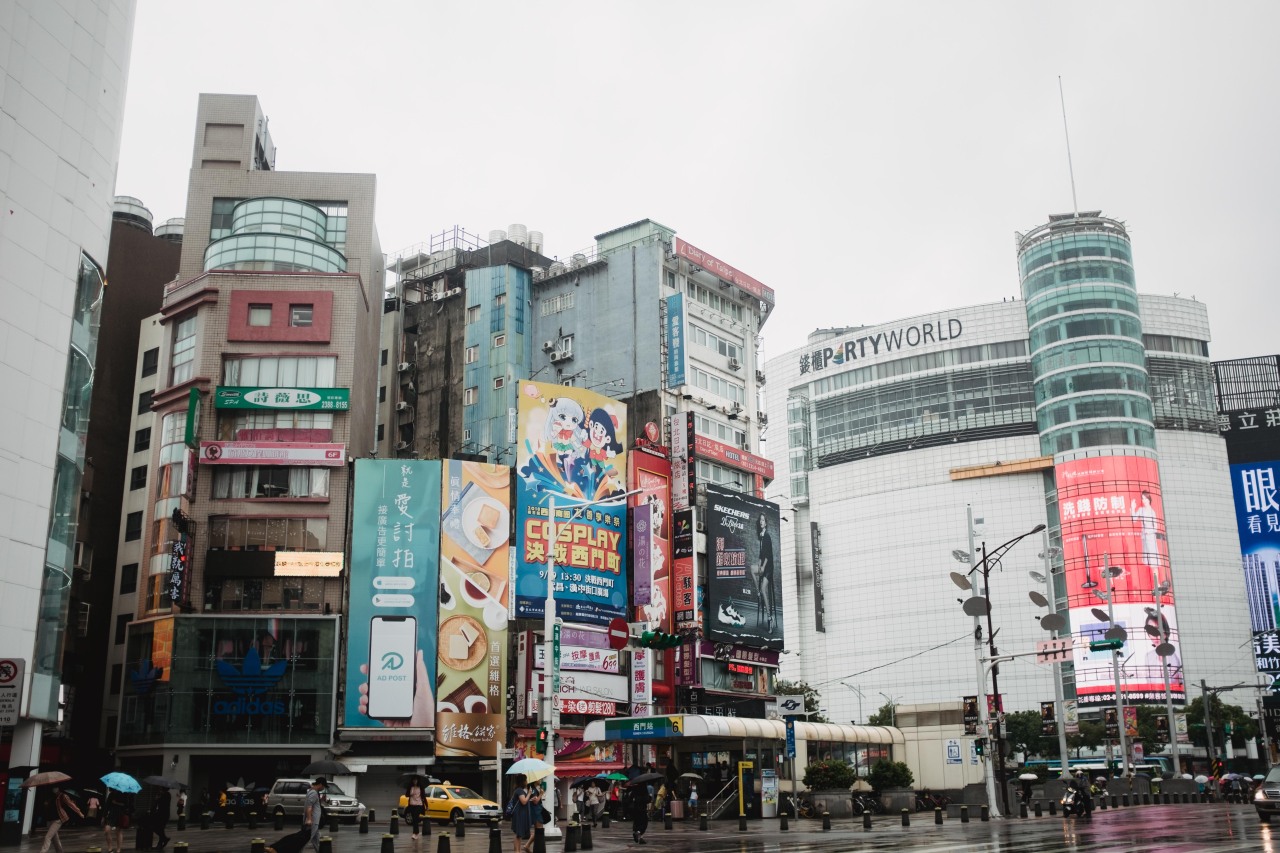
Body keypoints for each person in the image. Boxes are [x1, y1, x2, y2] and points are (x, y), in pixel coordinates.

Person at [40, 785, 83, 853]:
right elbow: (47, 807)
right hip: (49, 819)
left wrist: (79, 812)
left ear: (58, 788)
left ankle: (43, 851)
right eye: (53, 787)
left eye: (55, 787)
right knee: (55, 838)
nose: (54, 789)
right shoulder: (50, 796)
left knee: (47, 837)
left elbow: (71, 804)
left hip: (57, 820)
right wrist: (46, 804)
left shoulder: (62, 796)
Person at [754, 513, 777, 633]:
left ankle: (769, 618)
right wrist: (758, 563)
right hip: (763, 565)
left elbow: (768, 555)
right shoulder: (761, 536)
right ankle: (758, 593)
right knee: (752, 569)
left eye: (763, 520)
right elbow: (761, 554)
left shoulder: (767, 536)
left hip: (768, 568)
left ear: (766, 523)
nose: (761, 521)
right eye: (760, 520)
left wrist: (762, 566)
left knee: (764, 589)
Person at [508, 776, 536, 853]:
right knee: (518, 834)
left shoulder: (519, 790)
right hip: (519, 815)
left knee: (519, 835)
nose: (527, 782)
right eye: (526, 780)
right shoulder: (519, 791)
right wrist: (529, 794)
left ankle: (518, 850)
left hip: (520, 814)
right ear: (522, 781)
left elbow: (523, 801)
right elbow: (523, 801)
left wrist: (530, 799)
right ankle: (517, 851)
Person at [303, 778, 326, 853]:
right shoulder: (313, 793)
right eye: (324, 786)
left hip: (315, 820)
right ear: (320, 785)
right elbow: (309, 807)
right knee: (306, 839)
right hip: (313, 821)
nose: (323, 788)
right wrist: (309, 819)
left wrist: (322, 799)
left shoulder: (313, 792)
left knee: (316, 839)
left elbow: (314, 804)